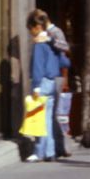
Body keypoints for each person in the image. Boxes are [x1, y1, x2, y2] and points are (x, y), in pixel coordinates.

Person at [26, 13, 69, 161]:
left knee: (38, 118)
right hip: (52, 81)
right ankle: (50, 151)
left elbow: (37, 66)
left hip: (42, 82)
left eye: (30, 29)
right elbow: (65, 62)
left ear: (37, 27)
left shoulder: (39, 44)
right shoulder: (52, 42)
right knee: (48, 119)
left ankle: (39, 151)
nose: (30, 32)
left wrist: (36, 85)